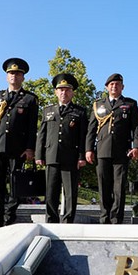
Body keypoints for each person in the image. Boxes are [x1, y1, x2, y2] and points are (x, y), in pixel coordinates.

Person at [0, 58, 38, 229]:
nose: (14, 76)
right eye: (11, 73)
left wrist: (29, 147)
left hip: (18, 148)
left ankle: (10, 215)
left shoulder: (30, 99)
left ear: (23, 77)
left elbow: (31, 126)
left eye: (18, 73)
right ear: (7, 76)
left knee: (16, 184)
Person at [85, 73, 138, 224]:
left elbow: (136, 128)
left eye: (117, 84)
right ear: (106, 87)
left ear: (122, 87)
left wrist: (136, 146)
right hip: (102, 150)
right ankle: (104, 217)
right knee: (103, 185)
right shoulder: (98, 105)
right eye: (111, 84)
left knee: (119, 187)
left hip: (121, 151)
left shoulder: (130, 104)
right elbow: (91, 129)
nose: (114, 86)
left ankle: (116, 218)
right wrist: (89, 149)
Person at [35, 73, 88, 223]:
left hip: (71, 158)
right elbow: (42, 135)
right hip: (51, 156)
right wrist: (39, 155)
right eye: (61, 90)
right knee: (51, 191)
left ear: (72, 92)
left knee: (70, 192)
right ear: (56, 92)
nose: (64, 93)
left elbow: (83, 136)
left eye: (67, 90)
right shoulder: (48, 110)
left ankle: (68, 221)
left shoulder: (80, 112)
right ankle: (51, 220)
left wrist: (81, 156)